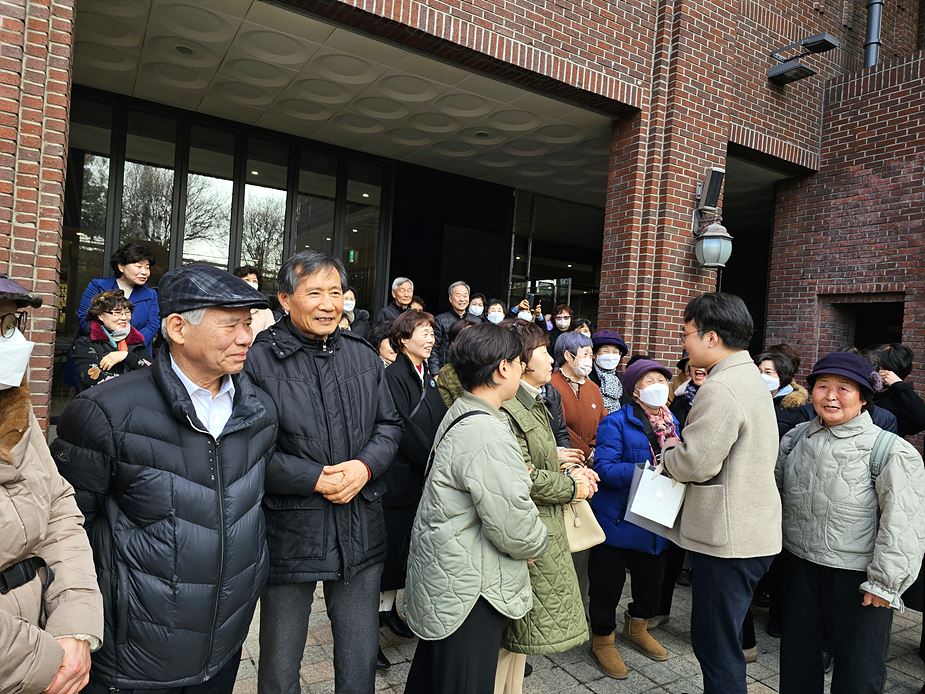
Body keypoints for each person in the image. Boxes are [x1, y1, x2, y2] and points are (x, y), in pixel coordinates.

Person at [51, 264, 277, 692]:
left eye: (248, 323)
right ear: (177, 327)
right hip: (132, 658)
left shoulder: (258, 410)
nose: (246, 337)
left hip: (222, 646)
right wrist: (74, 627)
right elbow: (63, 530)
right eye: (230, 324)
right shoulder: (106, 412)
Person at [244, 250, 403, 694]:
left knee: (359, 658)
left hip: (360, 522)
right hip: (290, 529)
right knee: (279, 664)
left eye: (336, 293)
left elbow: (389, 425)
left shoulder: (362, 355)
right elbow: (249, 450)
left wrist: (365, 467)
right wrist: (312, 477)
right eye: (314, 293)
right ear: (285, 299)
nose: (329, 304)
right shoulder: (257, 361)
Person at [403, 323, 548, 694]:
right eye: (518, 362)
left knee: (435, 676)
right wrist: (537, 543)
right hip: (472, 588)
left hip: (451, 576)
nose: (522, 368)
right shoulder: (486, 432)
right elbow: (514, 525)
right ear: (502, 368)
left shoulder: (463, 409)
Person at [776, 351, 925, 693]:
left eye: (843, 388)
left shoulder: (890, 450)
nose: (830, 396)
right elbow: (778, 494)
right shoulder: (795, 438)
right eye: (822, 386)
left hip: (859, 580)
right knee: (798, 664)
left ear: (864, 397)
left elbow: (904, 523)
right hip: (799, 568)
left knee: (859, 674)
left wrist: (884, 584)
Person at [660, 292, 781, 694]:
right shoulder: (749, 377)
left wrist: (669, 450)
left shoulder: (722, 386)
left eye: (687, 334)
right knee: (725, 641)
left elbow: (696, 463)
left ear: (711, 337)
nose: (684, 342)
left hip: (727, 538)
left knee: (716, 647)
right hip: (751, 529)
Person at [0, 274, 103, 694]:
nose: (11, 341)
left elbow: (57, 506)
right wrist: (46, 661)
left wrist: (74, 627)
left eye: (11, 324)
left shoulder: (13, 408)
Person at [495, 319, 596, 693]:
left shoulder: (535, 399)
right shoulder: (508, 407)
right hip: (527, 527)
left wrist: (557, 458)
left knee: (518, 640)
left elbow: (533, 457)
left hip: (540, 525)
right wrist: (572, 486)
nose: (551, 358)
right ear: (518, 362)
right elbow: (521, 474)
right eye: (542, 351)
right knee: (508, 638)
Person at [587, 359, 677, 679]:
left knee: (650, 585)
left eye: (662, 380)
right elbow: (605, 469)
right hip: (617, 521)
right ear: (635, 390)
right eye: (649, 381)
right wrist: (647, 471)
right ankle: (602, 639)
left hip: (655, 520)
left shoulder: (672, 421)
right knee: (606, 587)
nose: (657, 386)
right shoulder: (615, 423)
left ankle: (637, 627)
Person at [378, 310, 447, 667]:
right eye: (422, 332)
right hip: (401, 477)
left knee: (403, 552)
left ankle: (389, 610)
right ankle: (369, 633)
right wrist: (431, 460)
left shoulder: (426, 375)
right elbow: (401, 427)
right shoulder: (393, 376)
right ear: (403, 339)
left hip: (421, 476)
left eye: (432, 332)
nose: (430, 338)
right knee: (389, 552)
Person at [77, 242, 159, 350]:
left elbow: (152, 325)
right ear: (121, 267)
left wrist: (128, 346)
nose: (145, 272)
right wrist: (111, 344)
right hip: (98, 350)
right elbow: (84, 318)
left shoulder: (151, 294)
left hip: (136, 351)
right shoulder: (97, 286)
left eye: (147, 267)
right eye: (139, 266)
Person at [70, 290, 151, 391]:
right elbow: (93, 379)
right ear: (100, 315)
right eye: (117, 313)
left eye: (127, 312)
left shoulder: (137, 342)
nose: (124, 318)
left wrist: (126, 356)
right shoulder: (85, 343)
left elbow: (151, 375)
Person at [549, 331, 606, 459]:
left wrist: (595, 447)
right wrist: (586, 452)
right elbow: (559, 427)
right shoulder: (551, 384)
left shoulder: (593, 387)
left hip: (595, 456)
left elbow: (604, 422)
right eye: (585, 354)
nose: (589, 359)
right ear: (568, 356)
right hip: (565, 456)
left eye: (590, 355)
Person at [874, 343, 925, 438]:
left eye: (880, 365)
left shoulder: (901, 396)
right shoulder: (871, 386)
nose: (878, 368)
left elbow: (920, 421)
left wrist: (898, 385)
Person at [430, 281, 480, 375]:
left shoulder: (477, 321)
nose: (462, 299)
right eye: (458, 295)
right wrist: (435, 372)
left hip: (470, 371)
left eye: (465, 296)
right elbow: (433, 348)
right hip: (446, 371)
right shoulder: (440, 320)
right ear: (450, 298)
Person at [756, 350, 809, 438]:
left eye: (768, 372)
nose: (762, 376)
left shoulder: (794, 405)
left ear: (782, 375)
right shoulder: (749, 399)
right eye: (759, 372)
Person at [436, 319, 475, 408]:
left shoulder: (490, 366)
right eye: (464, 338)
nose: (470, 342)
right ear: (452, 343)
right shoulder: (446, 373)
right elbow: (446, 408)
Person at [588, 329, 629, 414]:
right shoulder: (586, 377)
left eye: (615, 352)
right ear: (594, 355)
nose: (611, 356)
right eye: (606, 351)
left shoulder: (623, 380)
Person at [233, 265, 276, 339]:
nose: (251, 284)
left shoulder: (265, 312)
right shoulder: (229, 307)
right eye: (247, 280)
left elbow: (271, 337)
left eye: (254, 281)